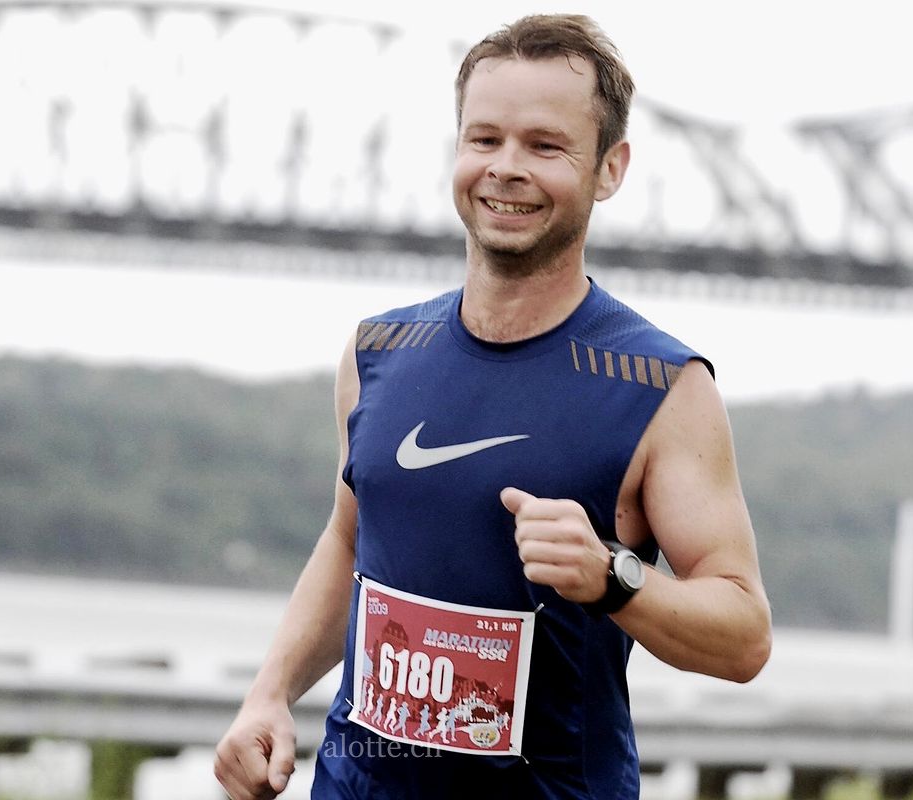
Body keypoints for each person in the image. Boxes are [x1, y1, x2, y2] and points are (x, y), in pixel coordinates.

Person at [214, 13, 771, 799]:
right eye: (484, 139)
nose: (506, 168)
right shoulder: (379, 352)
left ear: (610, 169)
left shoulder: (661, 385)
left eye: (545, 146)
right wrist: (270, 692)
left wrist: (610, 576)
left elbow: (745, 636)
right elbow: (349, 541)